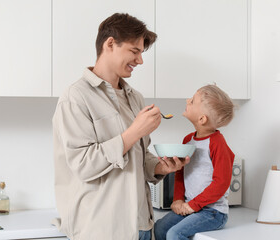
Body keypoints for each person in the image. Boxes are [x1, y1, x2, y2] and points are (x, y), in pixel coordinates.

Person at [52, 13, 190, 240]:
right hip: (102, 230)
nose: (140, 60)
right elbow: (84, 164)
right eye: (134, 51)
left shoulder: (135, 97)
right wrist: (135, 131)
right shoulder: (76, 97)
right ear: (110, 44)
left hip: (142, 226)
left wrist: (161, 167)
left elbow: (138, 157)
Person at [154, 85, 235, 240]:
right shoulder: (188, 140)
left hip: (213, 212)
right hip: (191, 207)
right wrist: (178, 199)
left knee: (174, 234)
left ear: (202, 119)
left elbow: (221, 183)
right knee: (159, 228)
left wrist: (192, 205)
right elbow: (181, 173)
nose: (187, 100)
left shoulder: (217, 143)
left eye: (192, 101)